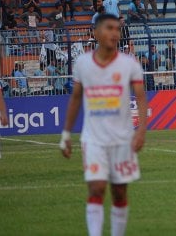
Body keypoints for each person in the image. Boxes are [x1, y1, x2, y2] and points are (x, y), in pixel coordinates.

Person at [59, 14, 148, 236]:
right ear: (96, 33)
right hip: (94, 139)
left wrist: (141, 132)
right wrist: (66, 134)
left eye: (117, 29)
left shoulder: (129, 64)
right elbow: (76, 98)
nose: (115, 33)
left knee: (119, 192)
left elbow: (141, 98)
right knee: (97, 188)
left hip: (123, 140)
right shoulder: (82, 63)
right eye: (109, 28)